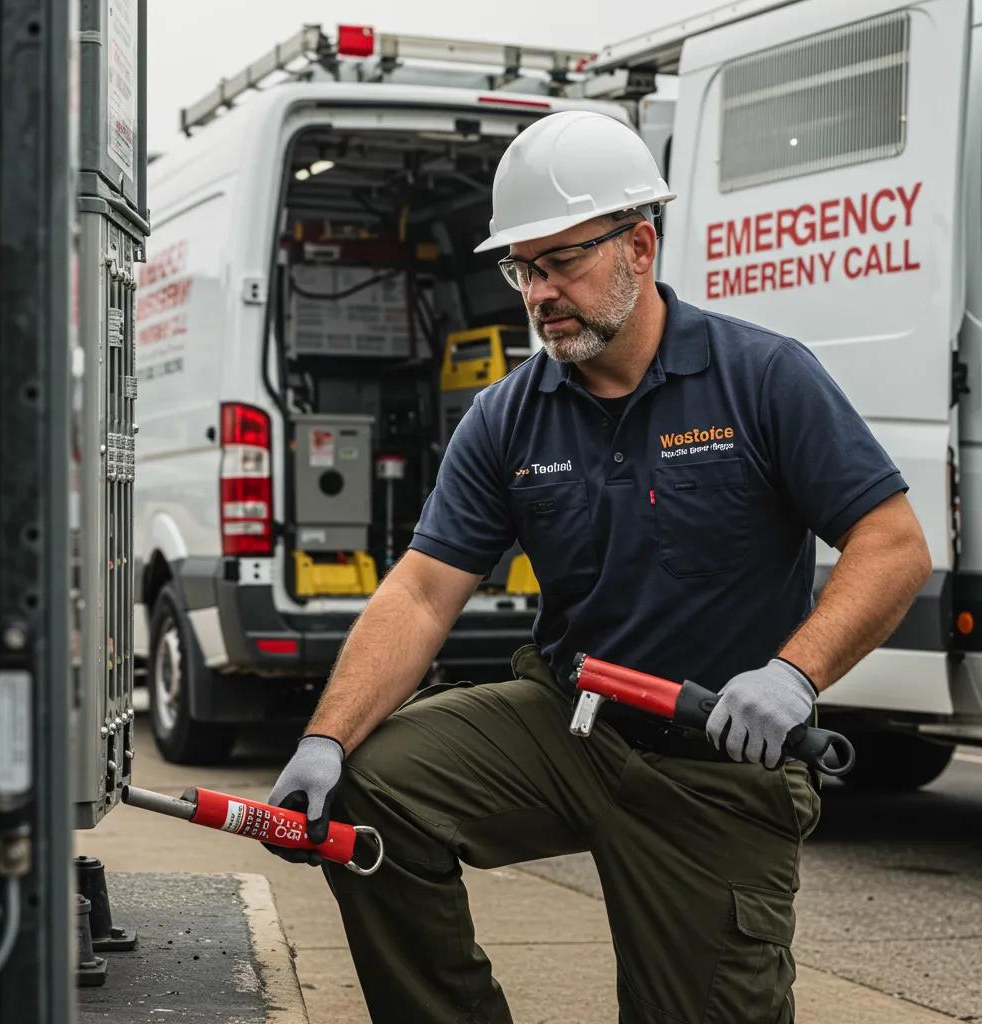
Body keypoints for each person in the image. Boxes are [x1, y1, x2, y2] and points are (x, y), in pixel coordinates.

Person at [265, 110, 932, 1023]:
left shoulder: (763, 379)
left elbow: (892, 543)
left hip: (713, 758)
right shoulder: (508, 417)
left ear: (640, 245)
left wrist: (793, 673)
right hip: (567, 719)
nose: (539, 293)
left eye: (563, 261)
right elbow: (422, 592)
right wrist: (324, 739)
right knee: (370, 788)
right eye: (522, 269)